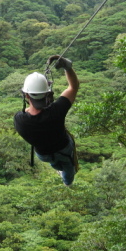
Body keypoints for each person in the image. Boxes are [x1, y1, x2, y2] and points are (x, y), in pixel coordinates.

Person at [14, 56, 80, 186]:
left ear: (26, 95)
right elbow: (74, 87)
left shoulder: (19, 119)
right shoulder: (57, 111)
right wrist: (68, 67)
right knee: (68, 166)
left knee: (54, 162)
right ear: (47, 94)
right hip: (64, 150)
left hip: (43, 155)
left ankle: (58, 168)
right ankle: (68, 182)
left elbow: (30, 112)